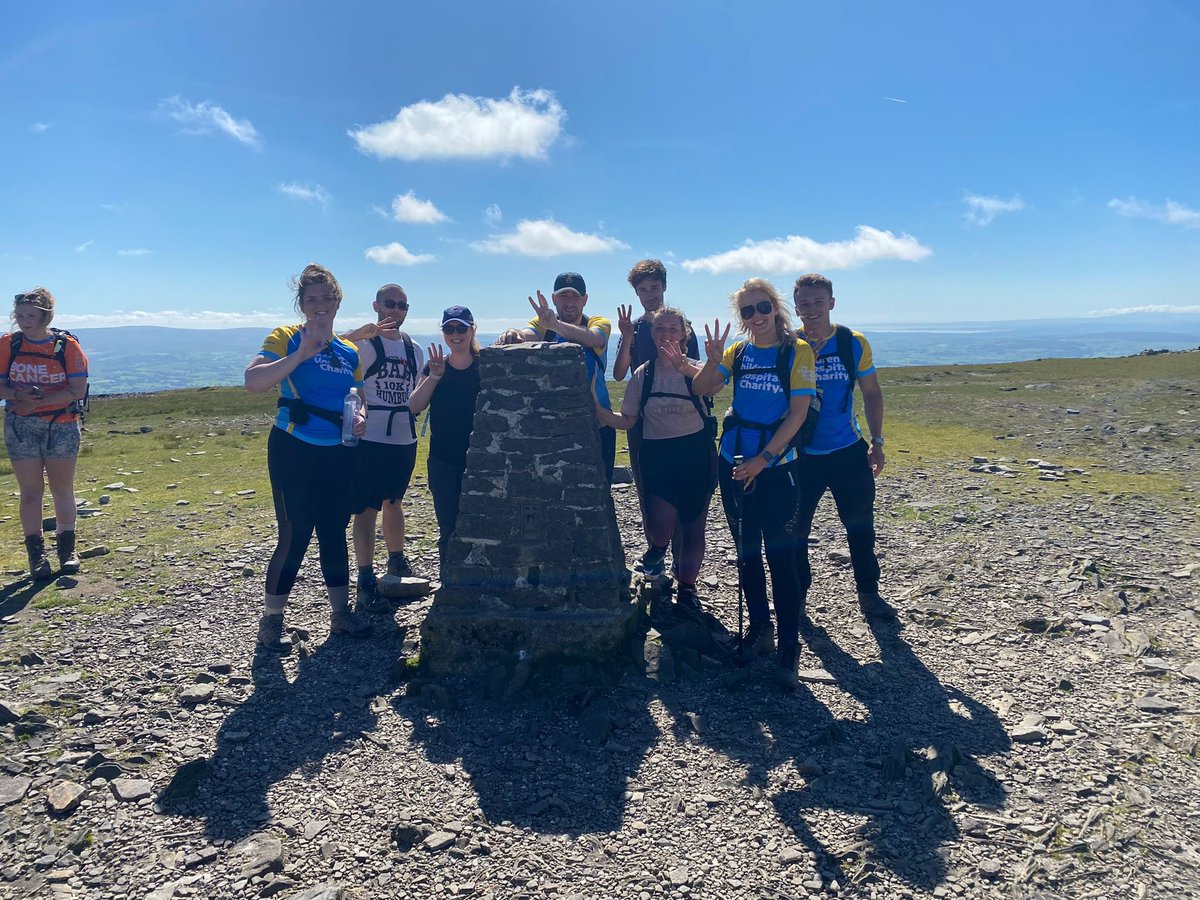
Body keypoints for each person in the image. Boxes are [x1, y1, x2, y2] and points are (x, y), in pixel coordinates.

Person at [686, 279, 816, 687]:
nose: (756, 317)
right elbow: (702, 388)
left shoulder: (797, 351)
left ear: (776, 309)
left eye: (762, 308)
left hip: (775, 467)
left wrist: (764, 460)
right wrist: (709, 361)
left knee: (781, 558)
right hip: (735, 463)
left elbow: (796, 415)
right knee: (746, 552)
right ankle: (759, 629)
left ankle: (788, 649)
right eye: (747, 312)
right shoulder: (737, 351)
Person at [244, 263, 368, 652]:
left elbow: (358, 398)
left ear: (337, 302)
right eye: (311, 299)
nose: (319, 305)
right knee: (294, 535)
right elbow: (253, 382)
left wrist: (361, 417)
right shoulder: (285, 338)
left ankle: (340, 615)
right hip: (293, 448)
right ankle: (272, 620)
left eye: (326, 298)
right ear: (301, 304)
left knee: (333, 532)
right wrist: (299, 355)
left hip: (339, 451)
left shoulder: (350, 351)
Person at [597, 306, 717, 615]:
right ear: (652, 335)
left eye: (673, 329)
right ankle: (658, 548)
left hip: (696, 455)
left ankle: (688, 588)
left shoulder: (696, 369)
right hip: (657, 455)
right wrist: (597, 411)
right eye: (660, 329)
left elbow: (716, 385)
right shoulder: (644, 373)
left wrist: (685, 368)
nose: (666, 334)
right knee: (661, 522)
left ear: (684, 334)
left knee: (693, 527)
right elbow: (628, 419)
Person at [791, 274, 895, 621]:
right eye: (805, 303)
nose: (812, 309)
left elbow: (872, 392)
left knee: (860, 526)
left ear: (832, 303)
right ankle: (797, 598)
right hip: (800, 455)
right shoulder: (788, 345)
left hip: (848, 450)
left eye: (819, 301)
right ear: (796, 307)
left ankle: (868, 593)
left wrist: (877, 442)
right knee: (794, 530)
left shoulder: (852, 342)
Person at [613, 260, 703, 577]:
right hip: (641, 421)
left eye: (654, 288)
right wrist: (626, 337)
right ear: (636, 293)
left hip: (682, 423)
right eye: (642, 290)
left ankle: (681, 561)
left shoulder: (681, 323)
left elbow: (699, 376)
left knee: (684, 496)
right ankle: (659, 550)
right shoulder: (634, 328)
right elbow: (620, 373)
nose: (649, 295)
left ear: (664, 287)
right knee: (649, 490)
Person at [340, 284, 425, 606]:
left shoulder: (413, 349)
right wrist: (356, 333)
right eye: (390, 304)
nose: (396, 310)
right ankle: (364, 575)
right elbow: (329, 350)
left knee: (395, 500)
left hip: (403, 437)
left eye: (402, 305)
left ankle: (397, 559)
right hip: (369, 437)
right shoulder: (361, 343)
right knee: (365, 508)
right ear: (376, 305)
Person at [0, 288, 89, 580]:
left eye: (31, 316)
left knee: (62, 489)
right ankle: (36, 557)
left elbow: (78, 389)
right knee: (30, 492)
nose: (25, 321)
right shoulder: (7, 345)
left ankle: (67, 551)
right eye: (20, 315)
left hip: (61, 424)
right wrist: (16, 394)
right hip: (21, 426)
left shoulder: (66, 346)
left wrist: (38, 400)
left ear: (45, 315)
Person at [497, 272, 616, 482]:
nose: (569, 303)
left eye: (575, 297)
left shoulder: (599, 322)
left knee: (599, 487)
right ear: (554, 299)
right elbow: (528, 333)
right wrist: (513, 333)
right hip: (556, 426)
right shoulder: (543, 322)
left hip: (599, 423)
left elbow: (593, 338)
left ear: (585, 300)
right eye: (563, 296)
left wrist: (555, 325)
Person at [408, 306, 482, 568]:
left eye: (461, 328)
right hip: (444, 460)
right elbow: (415, 405)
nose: (456, 334)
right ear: (443, 333)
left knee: (482, 523)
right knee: (448, 525)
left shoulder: (486, 366)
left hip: (482, 461)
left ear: (473, 329)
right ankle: (450, 583)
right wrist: (435, 377)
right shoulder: (434, 366)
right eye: (449, 329)